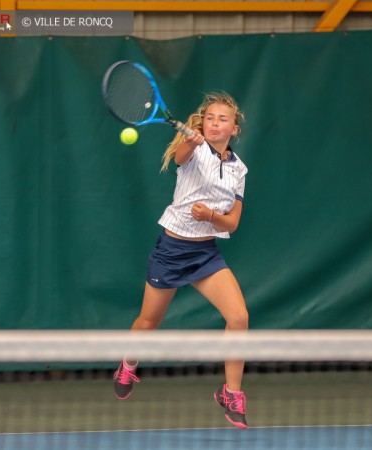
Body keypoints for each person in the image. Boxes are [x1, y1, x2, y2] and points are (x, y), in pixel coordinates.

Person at [113, 92, 250, 430]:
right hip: (172, 250)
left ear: (234, 128)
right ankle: (128, 364)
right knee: (148, 323)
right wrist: (190, 140)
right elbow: (180, 156)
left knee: (239, 318)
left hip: (205, 254)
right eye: (210, 118)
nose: (215, 123)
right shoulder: (194, 148)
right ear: (202, 123)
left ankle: (231, 392)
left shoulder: (239, 169)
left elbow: (231, 223)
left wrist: (212, 216)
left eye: (223, 119)